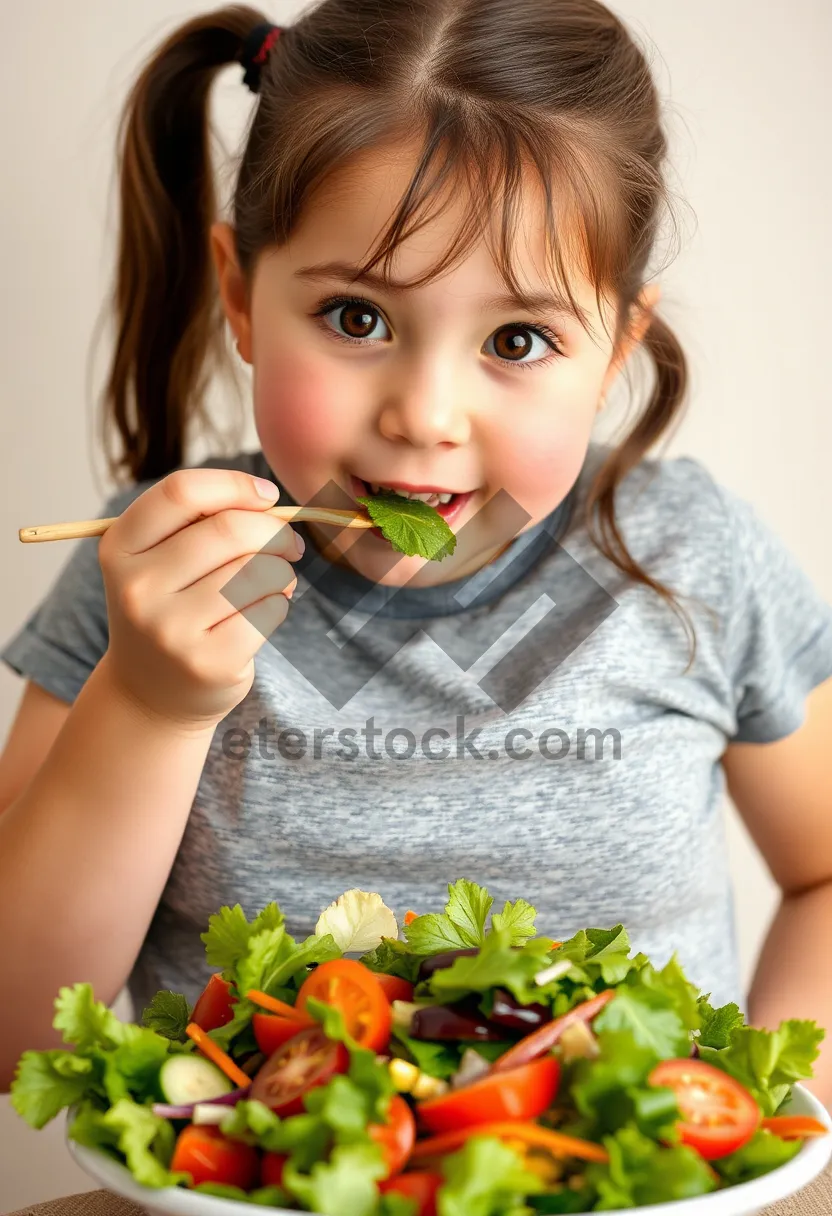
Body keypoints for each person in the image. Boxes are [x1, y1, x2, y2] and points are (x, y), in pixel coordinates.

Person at [1, 0, 830, 1101]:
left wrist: (770, 1121)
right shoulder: (158, 576)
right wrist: (148, 704)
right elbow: (17, 1047)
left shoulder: (693, 558)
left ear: (616, 348)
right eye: (356, 319)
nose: (426, 414)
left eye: (518, 339)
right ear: (243, 299)